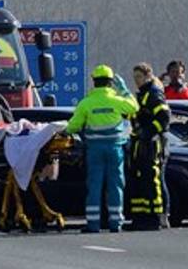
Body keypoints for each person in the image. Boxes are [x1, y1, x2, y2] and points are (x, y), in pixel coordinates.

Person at [65, 65, 139, 234]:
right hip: (115, 149)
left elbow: (73, 126)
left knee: (94, 185)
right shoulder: (117, 101)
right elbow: (134, 107)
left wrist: (64, 131)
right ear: (111, 82)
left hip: (95, 150)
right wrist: (124, 89)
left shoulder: (86, 103)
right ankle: (116, 222)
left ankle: (93, 224)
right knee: (116, 185)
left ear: (94, 82)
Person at [127, 64, 170, 231]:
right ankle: (140, 217)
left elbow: (164, 118)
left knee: (151, 180)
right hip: (140, 143)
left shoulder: (153, 94)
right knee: (140, 181)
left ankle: (154, 217)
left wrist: (147, 132)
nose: (136, 81)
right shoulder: (142, 95)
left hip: (151, 144)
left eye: (139, 77)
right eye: (135, 77)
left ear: (148, 76)